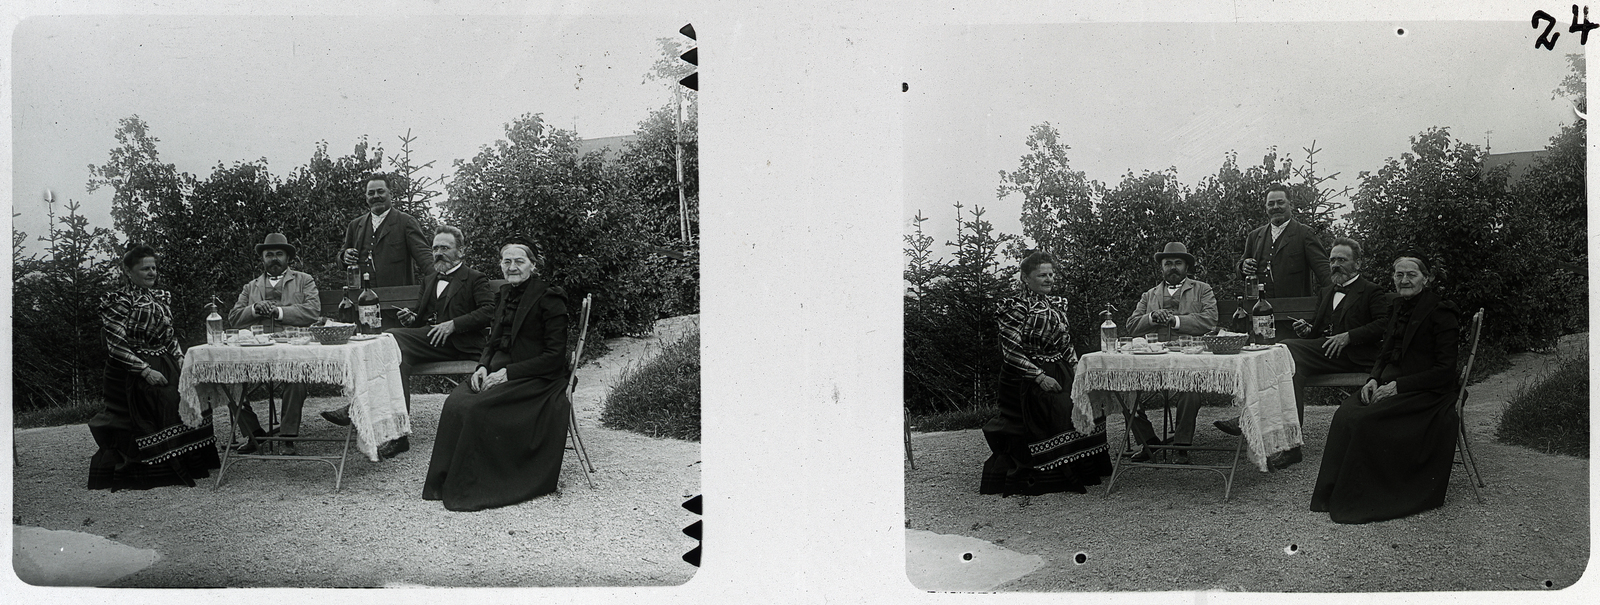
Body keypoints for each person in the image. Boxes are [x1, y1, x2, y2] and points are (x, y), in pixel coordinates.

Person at [1215, 237, 1394, 468]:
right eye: (1332, 260)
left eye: (1342, 259)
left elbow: (1383, 324)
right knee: (1291, 372)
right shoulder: (1328, 290)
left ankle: (1249, 419)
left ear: (1357, 264)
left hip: (1354, 357)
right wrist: (1308, 329)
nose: (1335, 265)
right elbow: (1319, 331)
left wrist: (1349, 336)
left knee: (1283, 348)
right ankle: (1291, 448)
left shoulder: (1371, 291)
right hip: (1326, 354)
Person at [321, 226, 495, 458]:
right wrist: (412, 318)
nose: (438, 253)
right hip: (432, 343)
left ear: (461, 252)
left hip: (460, 344)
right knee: (397, 360)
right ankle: (399, 437)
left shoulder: (474, 278)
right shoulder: (430, 278)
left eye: (445, 248)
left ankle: (356, 408)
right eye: (435, 248)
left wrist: (453, 324)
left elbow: (489, 311)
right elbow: (422, 319)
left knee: (390, 337)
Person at [1310, 256, 1461, 524]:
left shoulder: (1441, 311)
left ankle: (1365, 499)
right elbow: (1385, 352)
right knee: (1344, 413)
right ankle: (1332, 495)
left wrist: (1397, 386)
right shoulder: (1396, 307)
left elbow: (1446, 370)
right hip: (1389, 383)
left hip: (1427, 391)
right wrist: (1373, 379)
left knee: (1364, 420)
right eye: (1398, 274)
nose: (1404, 280)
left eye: (1411, 275)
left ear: (1426, 278)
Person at [422, 242, 572, 511]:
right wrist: (482, 367)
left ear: (533, 265)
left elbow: (554, 356)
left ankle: (478, 486)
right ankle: (444, 482)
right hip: (498, 370)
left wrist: (507, 373)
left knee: (477, 408)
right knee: (455, 401)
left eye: (519, 261)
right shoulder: (504, 293)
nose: (512, 267)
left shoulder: (550, 297)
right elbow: (492, 342)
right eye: (506, 262)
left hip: (538, 376)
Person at [87, 244, 221, 490]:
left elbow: (169, 336)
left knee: (194, 394)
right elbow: (115, 345)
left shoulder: (159, 297)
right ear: (128, 271)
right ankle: (161, 466)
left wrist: (181, 360)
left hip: (165, 361)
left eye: (154, 268)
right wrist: (145, 371)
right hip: (130, 370)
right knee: (167, 399)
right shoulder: (119, 301)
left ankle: (192, 461)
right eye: (144, 268)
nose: (151, 273)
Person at [981, 250, 1113, 496]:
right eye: (1042, 275)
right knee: (1062, 406)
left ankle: (1085, 468)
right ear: (1025, 277)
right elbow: (1011, 353)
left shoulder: (1056, 304)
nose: (1049, 279)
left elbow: (1065, 343)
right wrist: (1039, 377)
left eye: (1052, 274)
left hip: (1059, 368)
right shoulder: (1016, 308)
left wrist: (1077, 368)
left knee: (1088, 401)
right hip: (1024, 378)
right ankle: (1057, 474)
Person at [1121, 242, 1218, 464]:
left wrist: (1175, 320)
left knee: (1190, 391)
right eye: (1168, 264)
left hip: (1190, 361)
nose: (1172, 268)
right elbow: (1132, 325)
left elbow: (1209, 320)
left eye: (1177, 263)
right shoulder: (1149, 295)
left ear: (1186, 266)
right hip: (1153, 362)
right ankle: (1148, 442)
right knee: (1123, 390)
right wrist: (1152, 318)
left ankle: (1181, 445)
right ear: (1161, 268)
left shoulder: (1202, 289)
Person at [226, 233, 321, 455]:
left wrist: (278, 312)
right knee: (228, 383)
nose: (274, 259)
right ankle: (254, 434)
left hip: (292, 348)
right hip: (256, 352)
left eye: (279, 254)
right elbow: (234, 318)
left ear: (288, 257)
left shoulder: (304, 280)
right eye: (269, 255)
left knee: (296, 380)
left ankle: (287, 437)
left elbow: (313, 311)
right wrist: (254, 309)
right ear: (263, 259)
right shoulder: (251, 287)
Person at [340, 173, 433, 288]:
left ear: (390, 194)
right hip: (362, 297)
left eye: (380, 191)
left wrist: (441, 280)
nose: (375, 196)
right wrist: (344, 256)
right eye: (371, 193)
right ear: (366, 197)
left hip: (397, 297)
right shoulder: (355, 225)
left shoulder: (406, 222)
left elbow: (425, 257)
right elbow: (341, 259)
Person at [1238, 184, 1331, 298]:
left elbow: (1324, 271)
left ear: (1290, 205)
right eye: (1271, 204)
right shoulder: (1254, 236)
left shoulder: (1305, 233)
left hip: (1294, 309)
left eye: (1280, 202)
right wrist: (1243, 266)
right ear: (1266, 207)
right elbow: (1240, 267)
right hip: (1260, 309)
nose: (1275, 207)